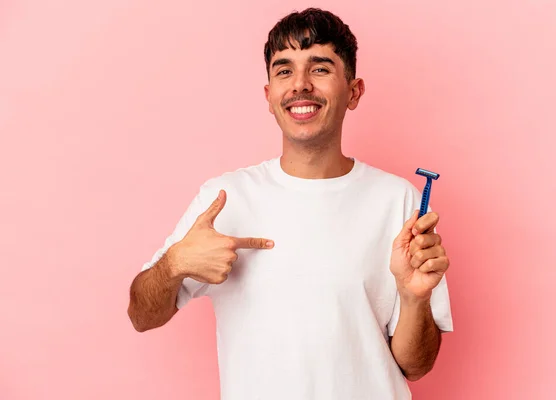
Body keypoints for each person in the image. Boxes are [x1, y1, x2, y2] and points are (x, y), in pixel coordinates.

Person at [127, 7, 453, 400]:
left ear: (354, 91)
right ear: (269, 96)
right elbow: (141, 316)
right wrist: (176, 263)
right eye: (284, 71)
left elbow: (416, 366)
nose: (300, 85)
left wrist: (413, 297)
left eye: (319, 68)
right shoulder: (225, 199)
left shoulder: (398, 200)